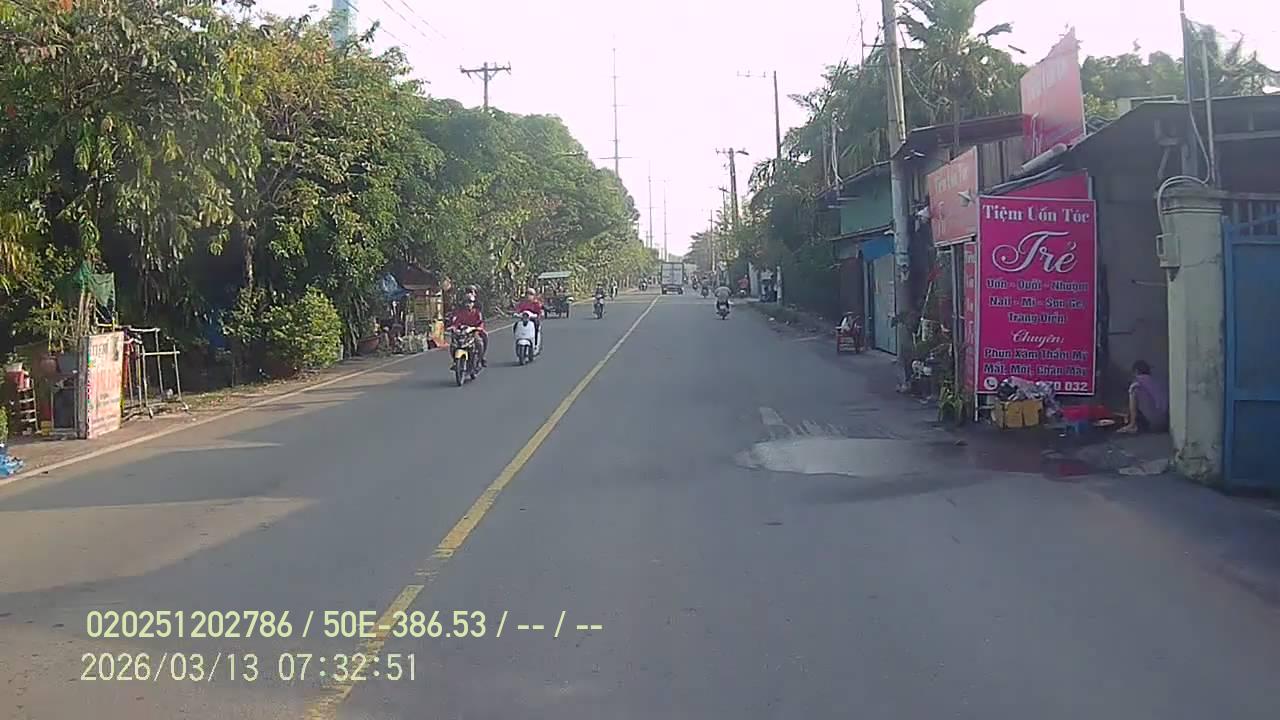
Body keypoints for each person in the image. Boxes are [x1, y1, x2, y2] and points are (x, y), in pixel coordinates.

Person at [1119, 360, 1167, 433]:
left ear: (1136, 371)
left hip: (1152, 421)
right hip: (1165, 420)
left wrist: (1131, 422)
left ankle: (1133, 425)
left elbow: (1133, 404)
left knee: (1134, 391)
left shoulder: (1137, 383)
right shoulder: (1156, 381)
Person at [447, 297, 487, 369]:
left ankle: (480, 359)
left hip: (474, 331)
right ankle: (455, 361)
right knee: (453, 345)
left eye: (471, 302)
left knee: (479, 342)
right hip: (463, 332)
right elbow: (456, 323)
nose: (469, 304)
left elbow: (481, 323)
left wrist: (476, 328)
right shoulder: (461, 313)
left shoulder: (477, 313)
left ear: (473, 304)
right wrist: (453, 328)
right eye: (467, 302)